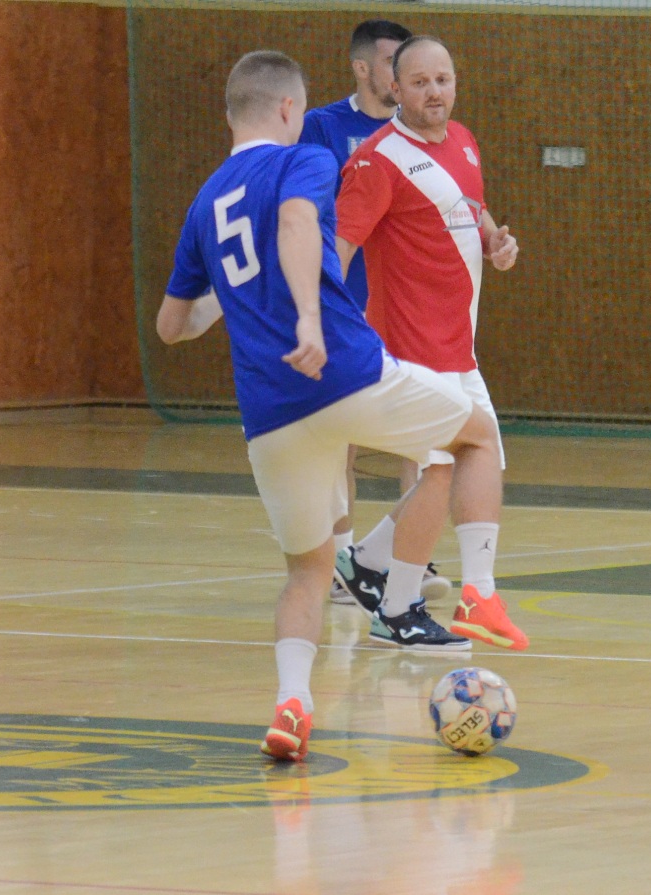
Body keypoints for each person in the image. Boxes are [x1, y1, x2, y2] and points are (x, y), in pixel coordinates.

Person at [156, 49, 508, 760]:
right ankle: (477, 593)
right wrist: (310, 320)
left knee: (307, 571)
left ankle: (292, 701)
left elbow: (172, 326)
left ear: (231, 114)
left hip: (268, 414)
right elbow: (296, 225)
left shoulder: (205, 202)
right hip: (344, 372)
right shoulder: (306, 159)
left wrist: (238, 297)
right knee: (475, 438)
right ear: (290, 108)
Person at [333, 34, 529, 651]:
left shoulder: (463, 140)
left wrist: (496, 242)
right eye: (419, 83)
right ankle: (402, 609)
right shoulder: (377, 161)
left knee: (474, 457)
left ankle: (372, 563)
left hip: (458, 348)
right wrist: (323, 332)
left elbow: (471, 207)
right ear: (395, 88)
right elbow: (336, 252)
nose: (434, 92)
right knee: (443, 468)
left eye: (442, 80)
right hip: (410, 351)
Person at [297, 19, 452, 609]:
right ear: (363, 68)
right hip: (346, 307)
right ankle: (344, 564)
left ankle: (409, 553)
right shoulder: (324, 128)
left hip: (405, 306)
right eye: (394, 63)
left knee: (425, 436)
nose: (405, 75)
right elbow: (305, 209)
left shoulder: (423, 136)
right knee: (343, 441)